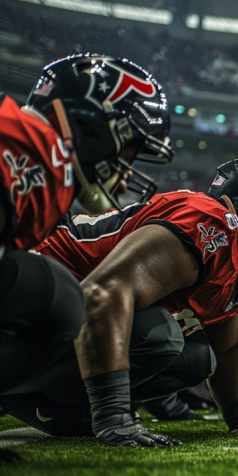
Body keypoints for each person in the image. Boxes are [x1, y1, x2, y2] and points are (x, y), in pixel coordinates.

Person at [8, 157, 238, 447]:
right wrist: (114, 416)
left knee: (199, 359)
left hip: (58, 325)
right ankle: (86, 406)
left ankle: (27, 399)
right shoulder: (212, 222)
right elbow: (103, 293)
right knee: (159, 335)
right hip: (24, 304)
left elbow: (228, 348)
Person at [0, 53, 173, 460]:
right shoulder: (30, 147)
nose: (127, 172)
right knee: (56, 294)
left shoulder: (36, 147)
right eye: (128, 152)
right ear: (92, 125)